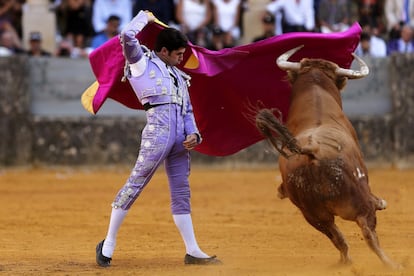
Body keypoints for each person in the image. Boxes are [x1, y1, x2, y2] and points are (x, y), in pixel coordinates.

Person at [95, 10, 222, 267]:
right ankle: (108, 245)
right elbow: (126, 35)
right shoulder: (141, 63)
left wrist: (194, 133)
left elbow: (187, 110)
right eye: (177, 54)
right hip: (157, 135)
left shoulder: (178, 75)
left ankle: (192, 250)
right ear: (163, 51)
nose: (181, 58)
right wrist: (146, 18)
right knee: (135, 184)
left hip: (178, 141)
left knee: (181, 192)